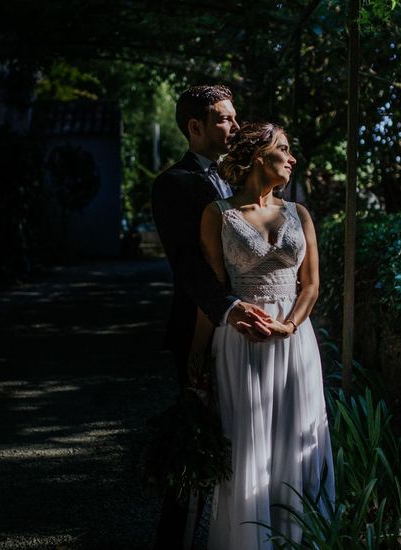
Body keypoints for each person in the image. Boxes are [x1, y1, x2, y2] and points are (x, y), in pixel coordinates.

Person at [200, 122, 335, 548]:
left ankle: (299, 539)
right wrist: (195, 355)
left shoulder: (300, 213)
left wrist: (289, 325)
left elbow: (311, 285)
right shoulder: (217, 214)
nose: (292, 158)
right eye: (284, 149)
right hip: (241, 341)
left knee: (296, 439)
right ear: (260, 154)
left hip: (295, 340)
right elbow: (212, 291)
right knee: (248, 445)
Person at [151, 85, 273, 549]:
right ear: (195, 127)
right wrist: (227, 309)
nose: (235, 127)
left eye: (235, 117)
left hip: (251, 328)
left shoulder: (240, 178)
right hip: (201, 329)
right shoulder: (174, 184)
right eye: (224, 119)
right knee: (196, 446)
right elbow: (186, 265)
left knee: (247, 437)